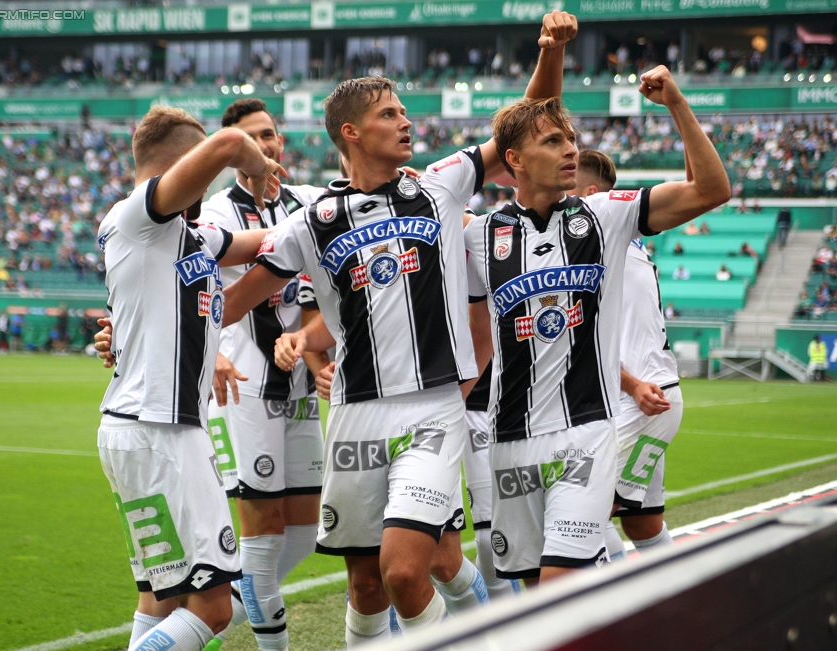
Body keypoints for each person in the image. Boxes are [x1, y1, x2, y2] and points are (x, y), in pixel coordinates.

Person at [219, 11, 579, 644]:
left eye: (405, 112)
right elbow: (233, 301)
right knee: (365, 584)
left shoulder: (438, 187)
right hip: (355, 413)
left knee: (407, 573)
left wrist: (548, 50)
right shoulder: (313, 221)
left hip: (434, 410)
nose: (407, 122)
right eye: (391, 115)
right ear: (351, 133)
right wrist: (141, 331)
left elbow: (530, 119)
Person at [464, 65, 730, 584]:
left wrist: (676, 102)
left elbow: (711, 190)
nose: (570, 150)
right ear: (513, 160)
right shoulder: (478, 236)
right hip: (510, 437)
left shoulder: (605, 215)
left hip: (586, 431)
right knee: (532, 589)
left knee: (561, 585)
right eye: (553, 141)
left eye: (571, 140)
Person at [95, 105, 285, 651]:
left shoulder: (190, 234)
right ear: (182, 165)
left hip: (142, 428)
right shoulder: (139, 215)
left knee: (162, 598)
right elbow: (227, 145)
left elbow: (266, 245)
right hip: (163, 429)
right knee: (212, 608)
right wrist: (259, 164)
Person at [197, 98, 329, 651]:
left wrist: (313, 349)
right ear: (233, 152)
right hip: (243, 386)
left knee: (304, 528)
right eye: (251, 137)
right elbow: (190, 287)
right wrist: (212, 354)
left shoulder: (311, 203)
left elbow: (327, 288)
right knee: (263, 529)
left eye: (270, 134)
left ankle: (226, 596)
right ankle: (266, 635)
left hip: (299, 385)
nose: (266, 145)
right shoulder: (215, 213)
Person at [568, 150, 683, 562]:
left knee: (580, 517)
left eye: (568, 189)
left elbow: (594, 343)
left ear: (593, 196)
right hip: (643, 397)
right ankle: (680, 612)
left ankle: (612, 616)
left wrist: (632, 386)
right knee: (643, 524)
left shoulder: (601, 253)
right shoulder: (629, 250)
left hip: (640, 401)